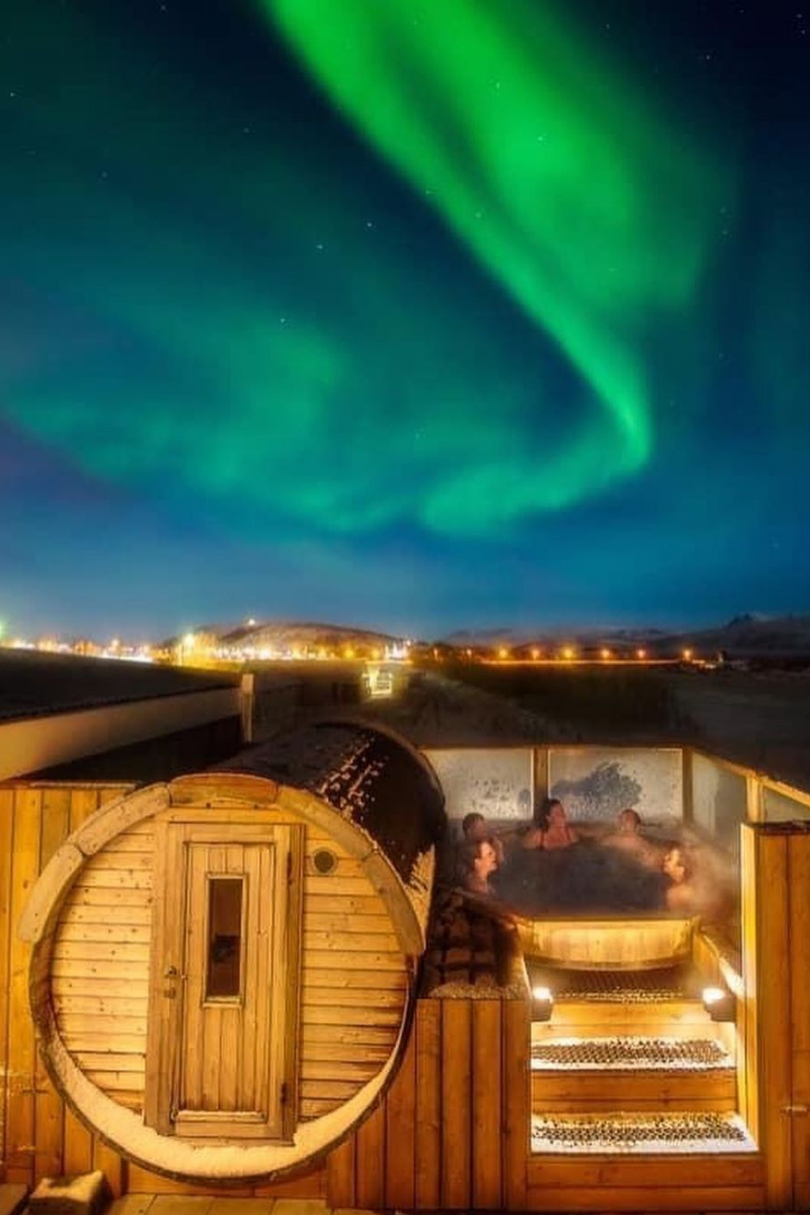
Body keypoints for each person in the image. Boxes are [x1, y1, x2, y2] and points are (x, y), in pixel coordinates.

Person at [662, 845, 698, 913]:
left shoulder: (688, 894)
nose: (665, 858)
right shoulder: (664, 886)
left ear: (681, 867)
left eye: (670, 858)